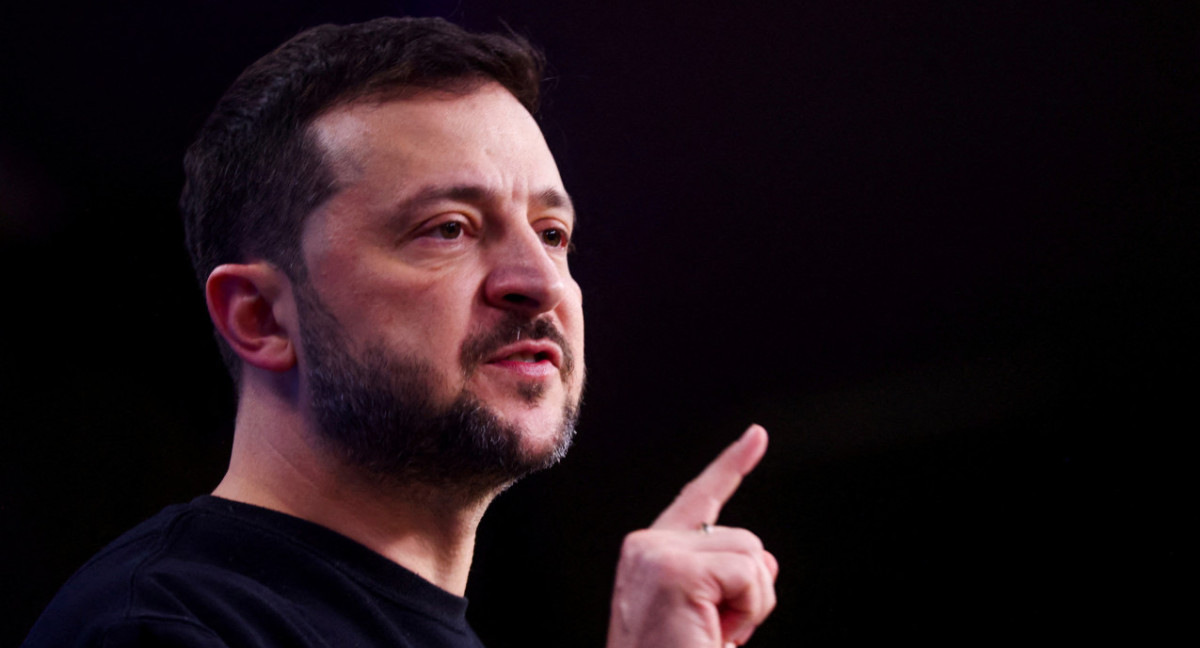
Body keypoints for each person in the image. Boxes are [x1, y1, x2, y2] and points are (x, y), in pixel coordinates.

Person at [23, 17, 776, 648]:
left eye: (552, 233)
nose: (541, 281)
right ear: (261, 317)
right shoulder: (162, 627)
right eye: (448, 228)